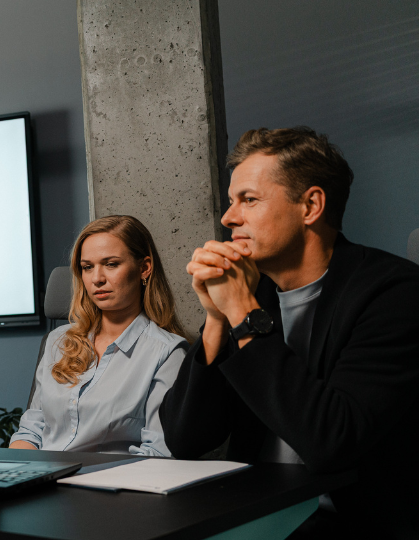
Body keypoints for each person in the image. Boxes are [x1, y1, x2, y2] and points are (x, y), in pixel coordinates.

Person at [159, 127, 419, 538]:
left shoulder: (395, 292)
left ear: (311, 205)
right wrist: (216, 318)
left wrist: (242, 313)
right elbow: (184, 438)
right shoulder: (250, 292)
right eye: (231, 201)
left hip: (353, 524)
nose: (228, 218)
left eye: (249, 200)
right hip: (255, 514)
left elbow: (330, 442)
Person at [10, 215, 189, 456]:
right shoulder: (58, 341)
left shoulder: (167, 352)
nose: (97, 279)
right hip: (45, 474)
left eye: (111, 264)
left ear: (144, 268)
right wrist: (20, 469)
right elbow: (30, 432)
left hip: (112, 478)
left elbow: (157, 453)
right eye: (87, 267)